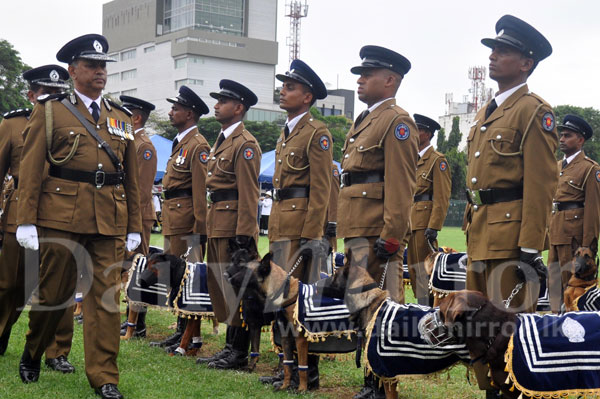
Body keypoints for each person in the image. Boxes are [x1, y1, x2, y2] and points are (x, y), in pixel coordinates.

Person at [16, 34, 142, 399]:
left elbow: (131, 177)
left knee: (105, 299)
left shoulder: (120, 117)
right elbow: (31, 168)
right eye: (91, 66)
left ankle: (104, 377)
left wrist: (135, 226)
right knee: (54, 293)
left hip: (109, 220)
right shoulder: (51, 110)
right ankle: (34, 349)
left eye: (103, 66)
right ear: (73, 71)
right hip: (62, 217)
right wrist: (26, 219)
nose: (100, 72)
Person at [463, 15, 557, 397]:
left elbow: (542, 184)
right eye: (492, 49)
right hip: (481, 230)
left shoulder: (534, 111)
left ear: (526, 63)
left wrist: (531, 246)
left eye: (504, 50)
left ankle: (515, 392)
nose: (493, 55)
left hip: (511, 235)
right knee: (479, 327)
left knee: (509, 328)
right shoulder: (487, 112)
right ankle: (492, 391)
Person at [337, 45, 418, 399]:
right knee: (361, 306)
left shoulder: (396, 121)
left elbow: (402, 183)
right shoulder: (365, 120)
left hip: (376, 230)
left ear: (389, 80)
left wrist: (392, 235)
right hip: (357, 225)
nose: (360, 79)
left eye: (367, 75)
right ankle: (370, 381)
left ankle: (383, 384)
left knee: (380, 309)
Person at [0, 65, 76, 374]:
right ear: (32, 95)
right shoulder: (13, 124)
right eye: (46, 93)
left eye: (58, 93)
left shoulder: (76, 123)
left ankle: (56, 351)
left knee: (61, 287)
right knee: (10, 284)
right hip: (20, 212)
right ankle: (1, 333)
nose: (53, 98)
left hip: (62, 213)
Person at [266, 59, 333, 390]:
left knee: (300, 304)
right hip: (281, 224)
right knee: (281, 301)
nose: (283, 91)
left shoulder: (316, 133)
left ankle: (310, 371)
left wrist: (312, 236)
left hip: (300, 230)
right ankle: (287, 367)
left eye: (290, 87)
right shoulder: (286, 132)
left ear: (307, 97)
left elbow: (321, 189)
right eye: (284, 86)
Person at [196, 79, 261, 369]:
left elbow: (250, 193)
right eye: (217, 100)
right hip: (218, 220)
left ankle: (238, 352)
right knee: (222, 286)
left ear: (238, 108)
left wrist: (244, 236)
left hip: (233, 224)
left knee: (237, 288)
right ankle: (229, 346)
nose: (216, 105)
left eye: (222, 101)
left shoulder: (245, 144)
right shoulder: (222, 139)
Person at [148, 85, 210, 349]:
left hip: (187, 221)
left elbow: (200, 190)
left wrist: (199, 229)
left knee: (187, 278)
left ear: (190, 113)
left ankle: (187, 334)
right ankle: (182, 331)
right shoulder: (181, 143)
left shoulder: (197, 145)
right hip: (174, 217)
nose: (171, 112)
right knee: (176, 277)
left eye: (176, 108)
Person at [548, 115, 600, 312]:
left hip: (575, 240)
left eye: (567, 135)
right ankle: (555, 321)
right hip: (555, 232)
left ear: (580, 140)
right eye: (561, 135)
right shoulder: (557, 167)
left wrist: (588, 248)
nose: (562, 139)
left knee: (572, 286)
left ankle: (573, 330)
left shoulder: (590, 169)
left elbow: (594, 210)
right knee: (553, 281)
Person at [118, 95, 157, 338]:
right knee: (126, 267)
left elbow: (141, 191)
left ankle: (138, 323)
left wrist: (129, 221)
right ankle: (129, 317)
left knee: (138, 268)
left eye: (125, 113)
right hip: (127, 215)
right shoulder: (130, 141)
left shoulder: (144, 146)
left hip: (138, 217)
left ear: (136, 117)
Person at [407, 114, 451, 305]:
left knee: (426, 269)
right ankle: (421, 305)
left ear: (426, 133)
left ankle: (430, 308)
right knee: (414, 269)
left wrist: (434, 226)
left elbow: (442, 197)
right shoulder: (412, 159)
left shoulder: (436, 160)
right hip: (410, 220)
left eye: (417, 129)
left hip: (424, 222)